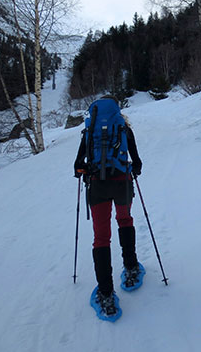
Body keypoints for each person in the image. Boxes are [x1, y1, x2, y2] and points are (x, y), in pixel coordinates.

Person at [73, 95, 143, 319]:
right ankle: (131, 268)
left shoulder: (89, 131)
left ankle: (106, 294)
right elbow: (138, 164)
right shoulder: (123, 129)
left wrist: (85, 171)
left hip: (98, 188)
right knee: (125, 220)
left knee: (101, 238)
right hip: (122, 184)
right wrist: (131, 169)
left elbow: (77, 167)